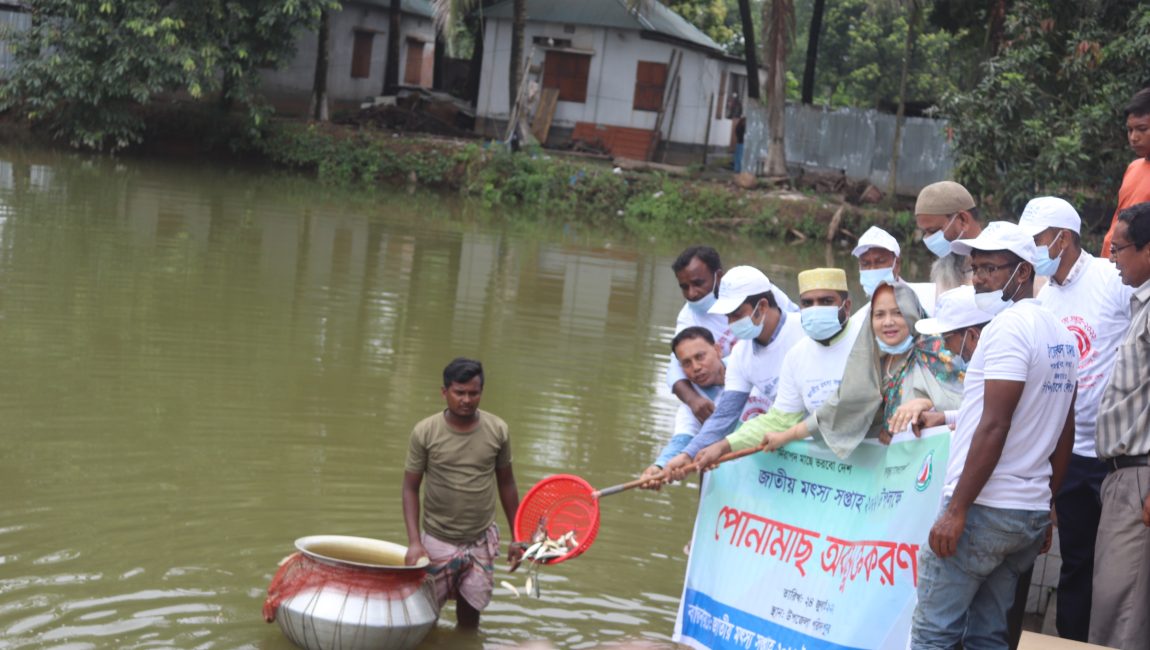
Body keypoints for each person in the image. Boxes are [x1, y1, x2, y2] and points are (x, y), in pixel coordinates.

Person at [909, 221, 1078, 649]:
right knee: (989, 637)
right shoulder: (1061, 334)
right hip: (1025, 515)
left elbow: (995, 424)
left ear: (1022, 273)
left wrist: (956, 510)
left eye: (989, 268)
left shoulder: (1006, 329)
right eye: (974, 268)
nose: (978, 278)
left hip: (983, 509)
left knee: (934, 634)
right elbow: (1063, 431)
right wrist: (1046, 506)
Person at [1018, 196, 1133, 641]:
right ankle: (1067, 641)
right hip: (1069, 454)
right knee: (1076, 562)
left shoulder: (1112, 278)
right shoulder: (1044, 301)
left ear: (1062, 239)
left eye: (1037, 241)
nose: (1032, 251)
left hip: (1115, 453)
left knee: (1120, 565)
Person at [710, 281, 964, 463]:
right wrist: (784, 436)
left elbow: (975, 405)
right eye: (879, 314)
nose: (888, 322)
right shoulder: (873, 360)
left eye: (898, 313)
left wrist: (929, 406)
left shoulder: (939, 352)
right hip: (894, 472)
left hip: (941, 469)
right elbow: (841, 409)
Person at [691, 268, 859, 466]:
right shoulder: (796, 356)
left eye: (826, 302)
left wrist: (792, 434)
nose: (815, 309)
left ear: (846, 306)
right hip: (824, 465)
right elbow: (779, 420)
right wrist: (723, 446)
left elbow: (854, 407)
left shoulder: (865, 339)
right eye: (807, 303)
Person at [402, 358, 521, 629]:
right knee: (424, 617)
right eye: (459, 392)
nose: (466, 400)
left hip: (479, 538)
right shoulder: (425, 431)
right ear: (444, 392)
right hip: (437, 537)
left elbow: (507, 483)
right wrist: (413, 542)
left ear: (481, 393)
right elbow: (410, 487)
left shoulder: (498, 430)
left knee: (470, 618)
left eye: (473, 393)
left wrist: (519, 534)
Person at [662, 265, 806, 477]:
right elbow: (725, 415)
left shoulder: (805, 330)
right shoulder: (741, 355)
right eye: (728, 317)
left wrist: (721, 447)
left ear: (763, 306)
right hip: (792, 450)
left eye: (737, 314)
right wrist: (688, 455)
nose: (731, 324)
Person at [1089, 202, 1150, 650]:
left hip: (1141, 478)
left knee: (1122, 611)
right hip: (1123, 476)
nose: (1113, 258)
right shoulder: (1140, 307)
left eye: (1120, 248)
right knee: (1117, 604)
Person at [639, 327, 726, 486]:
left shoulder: (745, 368)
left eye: (700, 357)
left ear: (718, 350)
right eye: (686, 363)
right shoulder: (694, 404)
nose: (696, 367)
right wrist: (660, 466)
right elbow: (682, 439)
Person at [667, 246, 734, 423]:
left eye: (698, 283)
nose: (691, 294)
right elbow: (675, 370)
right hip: (729, 390)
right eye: (684, 287)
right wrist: (694, 401)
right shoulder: (688, 319)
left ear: (718, 276)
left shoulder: (748, 288)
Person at [1100, 88, 1150, 258]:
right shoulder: (1133, 167)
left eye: (1142, 129)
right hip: (1111, 265)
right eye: (1130, 130)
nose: (1134, 137)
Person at [915, 181, 984, 293]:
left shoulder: (999, 267)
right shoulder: (942, 269)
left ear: (963, 220)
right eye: (925, 232)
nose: (927, 238)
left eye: (933, 230)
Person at [852, 225, 937, 310]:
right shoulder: (858, 319)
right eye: (865, 263)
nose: (872, 269)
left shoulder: (929, 298)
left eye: (880, 261)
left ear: (897, 264)